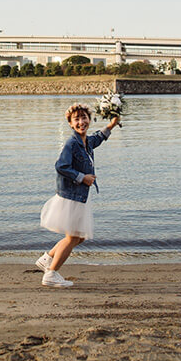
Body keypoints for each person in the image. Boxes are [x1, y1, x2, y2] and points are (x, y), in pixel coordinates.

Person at [35, 102, 119, 288]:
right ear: (71, 124)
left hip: (79, 196)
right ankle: (51, 274)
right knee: (73, 237)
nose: (81, 122)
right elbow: (61, 166)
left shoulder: (86, 141)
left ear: (89, 119)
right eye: (77, 119)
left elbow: (97, 138)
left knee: (79, 237)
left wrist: (111, 125)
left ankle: (48, 258)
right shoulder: (71, 143)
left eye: (84, 118)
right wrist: (83, 177)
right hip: (71, 196)